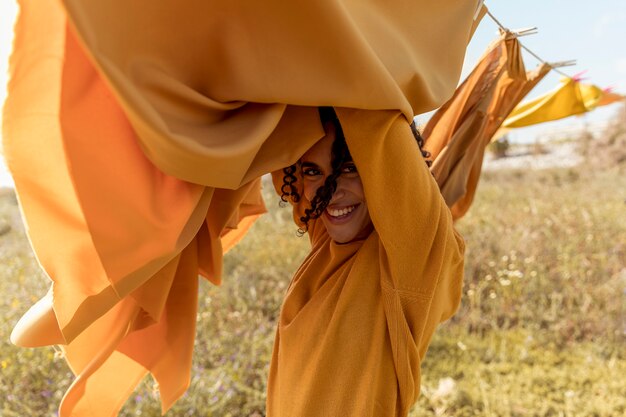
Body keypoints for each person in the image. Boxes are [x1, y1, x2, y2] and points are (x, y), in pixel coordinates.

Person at [267, 107, 466, 416]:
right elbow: (281, 133)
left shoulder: (411, 256)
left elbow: (377, 119)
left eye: (349, 168)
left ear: (383, 171)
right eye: (312, 171)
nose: (329, 192)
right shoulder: (324, 239)